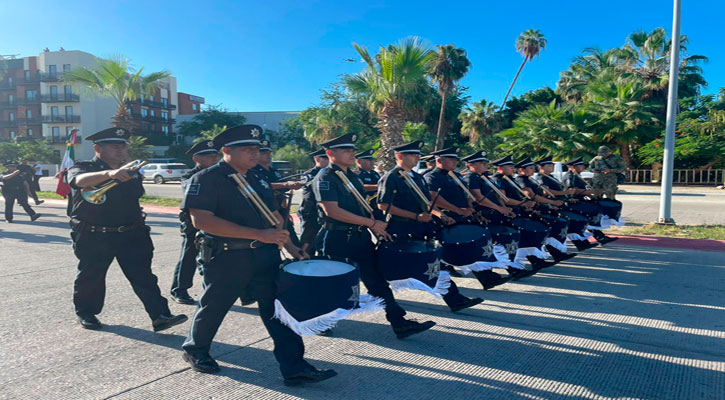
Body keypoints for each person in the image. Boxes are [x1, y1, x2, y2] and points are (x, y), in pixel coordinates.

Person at [180, 125, 336, 386]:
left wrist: (292, 248)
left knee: (278, 311)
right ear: (226, 151)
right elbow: (202, 220)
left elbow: (274, 218)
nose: (255, 154)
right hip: (227, 257)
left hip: (265, 257)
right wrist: (258, 234)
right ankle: (195, 350)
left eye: (256, 148)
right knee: (214, 307)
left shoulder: (258, 178)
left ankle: (294, 367)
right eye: (247, 149)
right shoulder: (206, 179)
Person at [313, 133, 436, 338]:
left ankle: (399, 322)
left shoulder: (352, 176)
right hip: (337, 239)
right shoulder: (325, 177)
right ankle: (321, 321)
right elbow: (331, 211)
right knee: (335, 283)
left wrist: (377, 229)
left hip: (360, 239)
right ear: (329, 153)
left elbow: (364, 207)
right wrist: (371, 223)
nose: (352, 153)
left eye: (352, 150)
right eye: (346, 150)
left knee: (377, 281)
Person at [67, 127, 187, 332]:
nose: (120, 150)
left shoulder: (132, 172)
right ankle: (86, 312)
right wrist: (109, 174)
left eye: (123, 146)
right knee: (91, 275)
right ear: (97, 148)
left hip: (131, 233)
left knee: (144, 276)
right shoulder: (83, 167)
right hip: (94, 234)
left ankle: (160, 315)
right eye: (114, 146)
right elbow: (77, 181)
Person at [377, 141, 483, 312]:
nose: (417, 158)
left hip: (421, 228)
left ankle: (454, 299)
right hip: (400, 229)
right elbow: (383, 205)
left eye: (418, 155)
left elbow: (427, 203)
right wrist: (415, 216)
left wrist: (442, 215)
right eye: (413, 155)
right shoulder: (391, 177)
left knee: (433, 263)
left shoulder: (417, 177)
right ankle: (380, 299)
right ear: (399, 156)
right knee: (389, 270)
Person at [170, 140, 221, 305]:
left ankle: (214, 289)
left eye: (215, 156)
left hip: (216, 221)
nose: (214, 159)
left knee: (215, 256)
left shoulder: (222, 174)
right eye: (208, 156)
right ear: (196, 159)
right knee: (189, 255)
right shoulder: (189, 176)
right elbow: (191, 192)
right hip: (194, 222)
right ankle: (179, 289)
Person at [460, 150, 518, 287]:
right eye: (482, 163)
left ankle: (500, 273)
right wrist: (500, 208)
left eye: (486, 163)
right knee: (485, 246)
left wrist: (504, 208)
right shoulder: (471, 178)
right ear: (471, 165)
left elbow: (497, 196)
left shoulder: (483, 177)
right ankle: (491, 276)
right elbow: (478, 199)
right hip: (485, 215)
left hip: (494, 214)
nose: (486, 165)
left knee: (494, 244)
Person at [253, 139, 304, 246]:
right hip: (266, 211)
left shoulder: (274, 171)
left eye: (268, 153)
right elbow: (263, 186)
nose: (267, 155)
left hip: (281, 210)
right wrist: (286, 184)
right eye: (263, 153)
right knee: (273, 241)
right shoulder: (253, 171)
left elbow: (283, 193)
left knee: (292, 241)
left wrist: (286, 211)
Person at [562, 157, 618, 247]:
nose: (583, 167)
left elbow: (583, 190)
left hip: (580, 200)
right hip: (573, 202)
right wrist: (593, 192)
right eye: (580, 165)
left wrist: (592, 196)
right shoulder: (570, 176)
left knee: (587, 219)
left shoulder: (577, 175)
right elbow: (573, 189)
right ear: (573, 167)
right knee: (585, 219)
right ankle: (595, 239)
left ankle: (599, 238)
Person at [297, 149, 328, 254]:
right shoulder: (309, 174)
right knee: (307, 240)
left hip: (323, 211)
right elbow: (310, 184)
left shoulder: (331, 173)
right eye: (326, 158)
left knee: (322, 240)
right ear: (317, 159)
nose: (329, 161)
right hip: (310, 211)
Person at [355, 149, 382, 220]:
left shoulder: (374, 173)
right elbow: (361, 187)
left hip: (378, 206)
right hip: (366, 207)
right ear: (358, 161)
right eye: (368, 159)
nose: (371, 162)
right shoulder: (357, 174)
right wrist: (380, 187)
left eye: (372, 159)